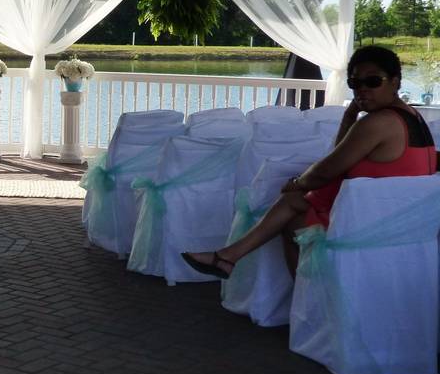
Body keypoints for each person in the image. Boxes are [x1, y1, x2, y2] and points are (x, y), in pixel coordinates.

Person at [182, 46, 437, 279]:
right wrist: (349, 116)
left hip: (368, 224)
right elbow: (339, 157)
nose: (362, 89)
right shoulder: (412, 117)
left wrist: (297, 182)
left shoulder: (378, 123)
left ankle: (310, 304)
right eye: (354, 83)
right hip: (404, 224)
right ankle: (228, 257)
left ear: (395, 82)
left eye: (372, 81)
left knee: (292, 216)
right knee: (292, 203)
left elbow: (326, 170)